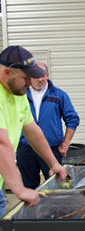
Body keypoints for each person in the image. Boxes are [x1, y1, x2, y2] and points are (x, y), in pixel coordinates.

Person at [0, 46, 67, 214]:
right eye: (25, 78)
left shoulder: (18, 94)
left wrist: (54, 163)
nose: (30, 83)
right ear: (7, 72)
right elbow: (1, 143)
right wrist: (20, 189)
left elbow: (32, 131)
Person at [16, 62, 79, 189]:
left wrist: (65, 144)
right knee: (29, 187)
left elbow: (72, 119)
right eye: (36, 76)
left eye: (43, 75)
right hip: (25, 149)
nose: (40, 79)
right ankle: (33, 209)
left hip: (51, 148)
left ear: (47, 75)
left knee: (56, 186)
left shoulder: (59, 95)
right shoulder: (19, 95)